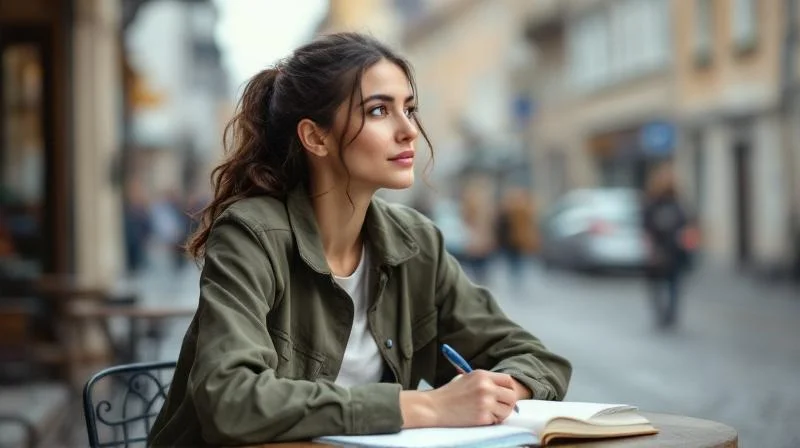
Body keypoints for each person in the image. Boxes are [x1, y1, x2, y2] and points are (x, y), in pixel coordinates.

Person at [148, 32, 571, 447]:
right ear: (316, 137)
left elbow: (539, 361)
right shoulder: (251, 234)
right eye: (378, 111)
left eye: (410, 109)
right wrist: (427, 408)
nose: (409, 131)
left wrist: (494, 393)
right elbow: (230, 400)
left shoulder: (417, 242)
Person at [642, 163, 694, 329]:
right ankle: (666, 314)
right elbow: (646, 228)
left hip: (671, 251)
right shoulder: (657, 204)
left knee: (669, 285)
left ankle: (668, 314)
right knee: (665, 285)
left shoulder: (674, 203)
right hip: (666, 250)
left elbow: (687, 226)